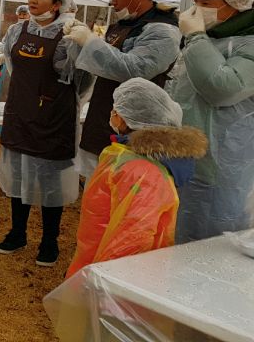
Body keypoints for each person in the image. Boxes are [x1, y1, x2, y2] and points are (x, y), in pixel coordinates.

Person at [66, 78, 207, 278]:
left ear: (131, 119)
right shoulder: (129, 157)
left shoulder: (141, 173)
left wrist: (105, 285)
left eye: (118, 110)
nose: (113, 113)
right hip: (94, 259)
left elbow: (131, 239)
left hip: (111, 278)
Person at [64, 0, 180, 177]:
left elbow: (135, 70)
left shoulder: (162, 30)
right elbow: (105, 63)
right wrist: (79, 43)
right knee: (99, 190)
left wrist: (90, 42)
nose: (112, 0)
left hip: (137, 128)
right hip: (106, 115)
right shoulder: (124, 25)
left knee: (126, 192)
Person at [167, 0, 254, 242]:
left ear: (234, 3)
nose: (198, 11)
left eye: (206, 4)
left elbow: (224, 88)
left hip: (223, 160)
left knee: (215, 236)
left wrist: (195, 38)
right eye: (196, 3)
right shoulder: (214, 37)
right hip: (188, 153)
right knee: (183, 231)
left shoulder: (246, 41)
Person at [0, 0, 78, 267]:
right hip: (21, 111)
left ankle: (49, 241)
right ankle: (17, 233)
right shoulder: (17, 30)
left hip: (53, 116)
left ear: (56, 4)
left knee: (50, 180)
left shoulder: (69, 34)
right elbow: (12, 65)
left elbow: (76, 78)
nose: (33, 0)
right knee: (19, 176)